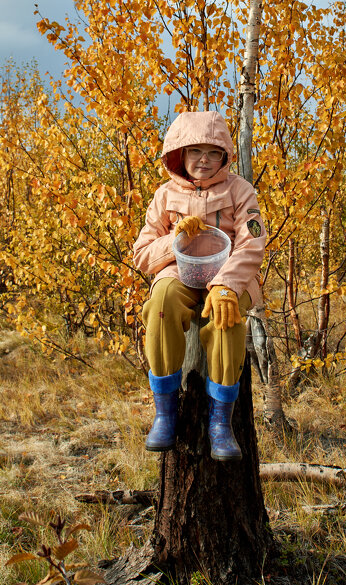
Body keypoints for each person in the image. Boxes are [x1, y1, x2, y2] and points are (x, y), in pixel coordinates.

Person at [133, 110, 266, 461]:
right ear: (180, 155)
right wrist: (174, 239)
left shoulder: (240, 190)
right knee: (159, 302)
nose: (204, 160)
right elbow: (143, 256)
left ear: (224, 156)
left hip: (229, 279)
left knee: (227, 318)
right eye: (195, 152)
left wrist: (226, 285)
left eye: (212, 152)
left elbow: (253, 244)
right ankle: (165, 414)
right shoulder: (164, 196)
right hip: (180, 277)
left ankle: (221, 423)